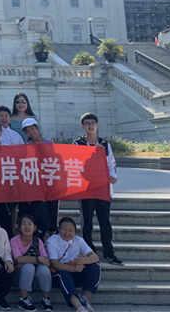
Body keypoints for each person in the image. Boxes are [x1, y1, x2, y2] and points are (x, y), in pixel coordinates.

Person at [74, 113, 123, 266]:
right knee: (87, 222)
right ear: (82, 126)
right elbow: (76, 163)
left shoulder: (105, 144)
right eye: (87, 123)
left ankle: (109, 252)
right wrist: (93, 153)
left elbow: (111, 164)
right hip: (87, 188)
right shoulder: (78, 143)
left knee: (104, 221)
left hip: (103, 188)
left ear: (97, 125)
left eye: (92, 123)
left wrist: (113, 176)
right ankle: (90, 252)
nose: (90, 126)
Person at [46, 218, 100, 312]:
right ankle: (79, 307)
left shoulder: (79, 240)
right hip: (58, 275)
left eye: (71, 230)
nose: (67, 233)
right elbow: (54, 264)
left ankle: (84, 300)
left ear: (75, 231)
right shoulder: (52, 241)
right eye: (64, 229)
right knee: (63, 274)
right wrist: (74, 268)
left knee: (95, 267)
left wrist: (84, 261)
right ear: (59, 229)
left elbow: (95, 257)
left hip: (76, 273)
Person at [9, 215, 52, 312]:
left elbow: (46, 261)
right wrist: (37, 259)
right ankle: (23, 299)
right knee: (28, 267)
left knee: (44, 269)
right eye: (24, 224)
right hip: (19, 275)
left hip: (35, 276)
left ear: (35, 227)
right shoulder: (14, 240)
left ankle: (46, 299)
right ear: (19, 227)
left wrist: (29, 260)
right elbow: (18, 259)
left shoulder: (38, 241)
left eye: (29, 224)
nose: (27, 227)